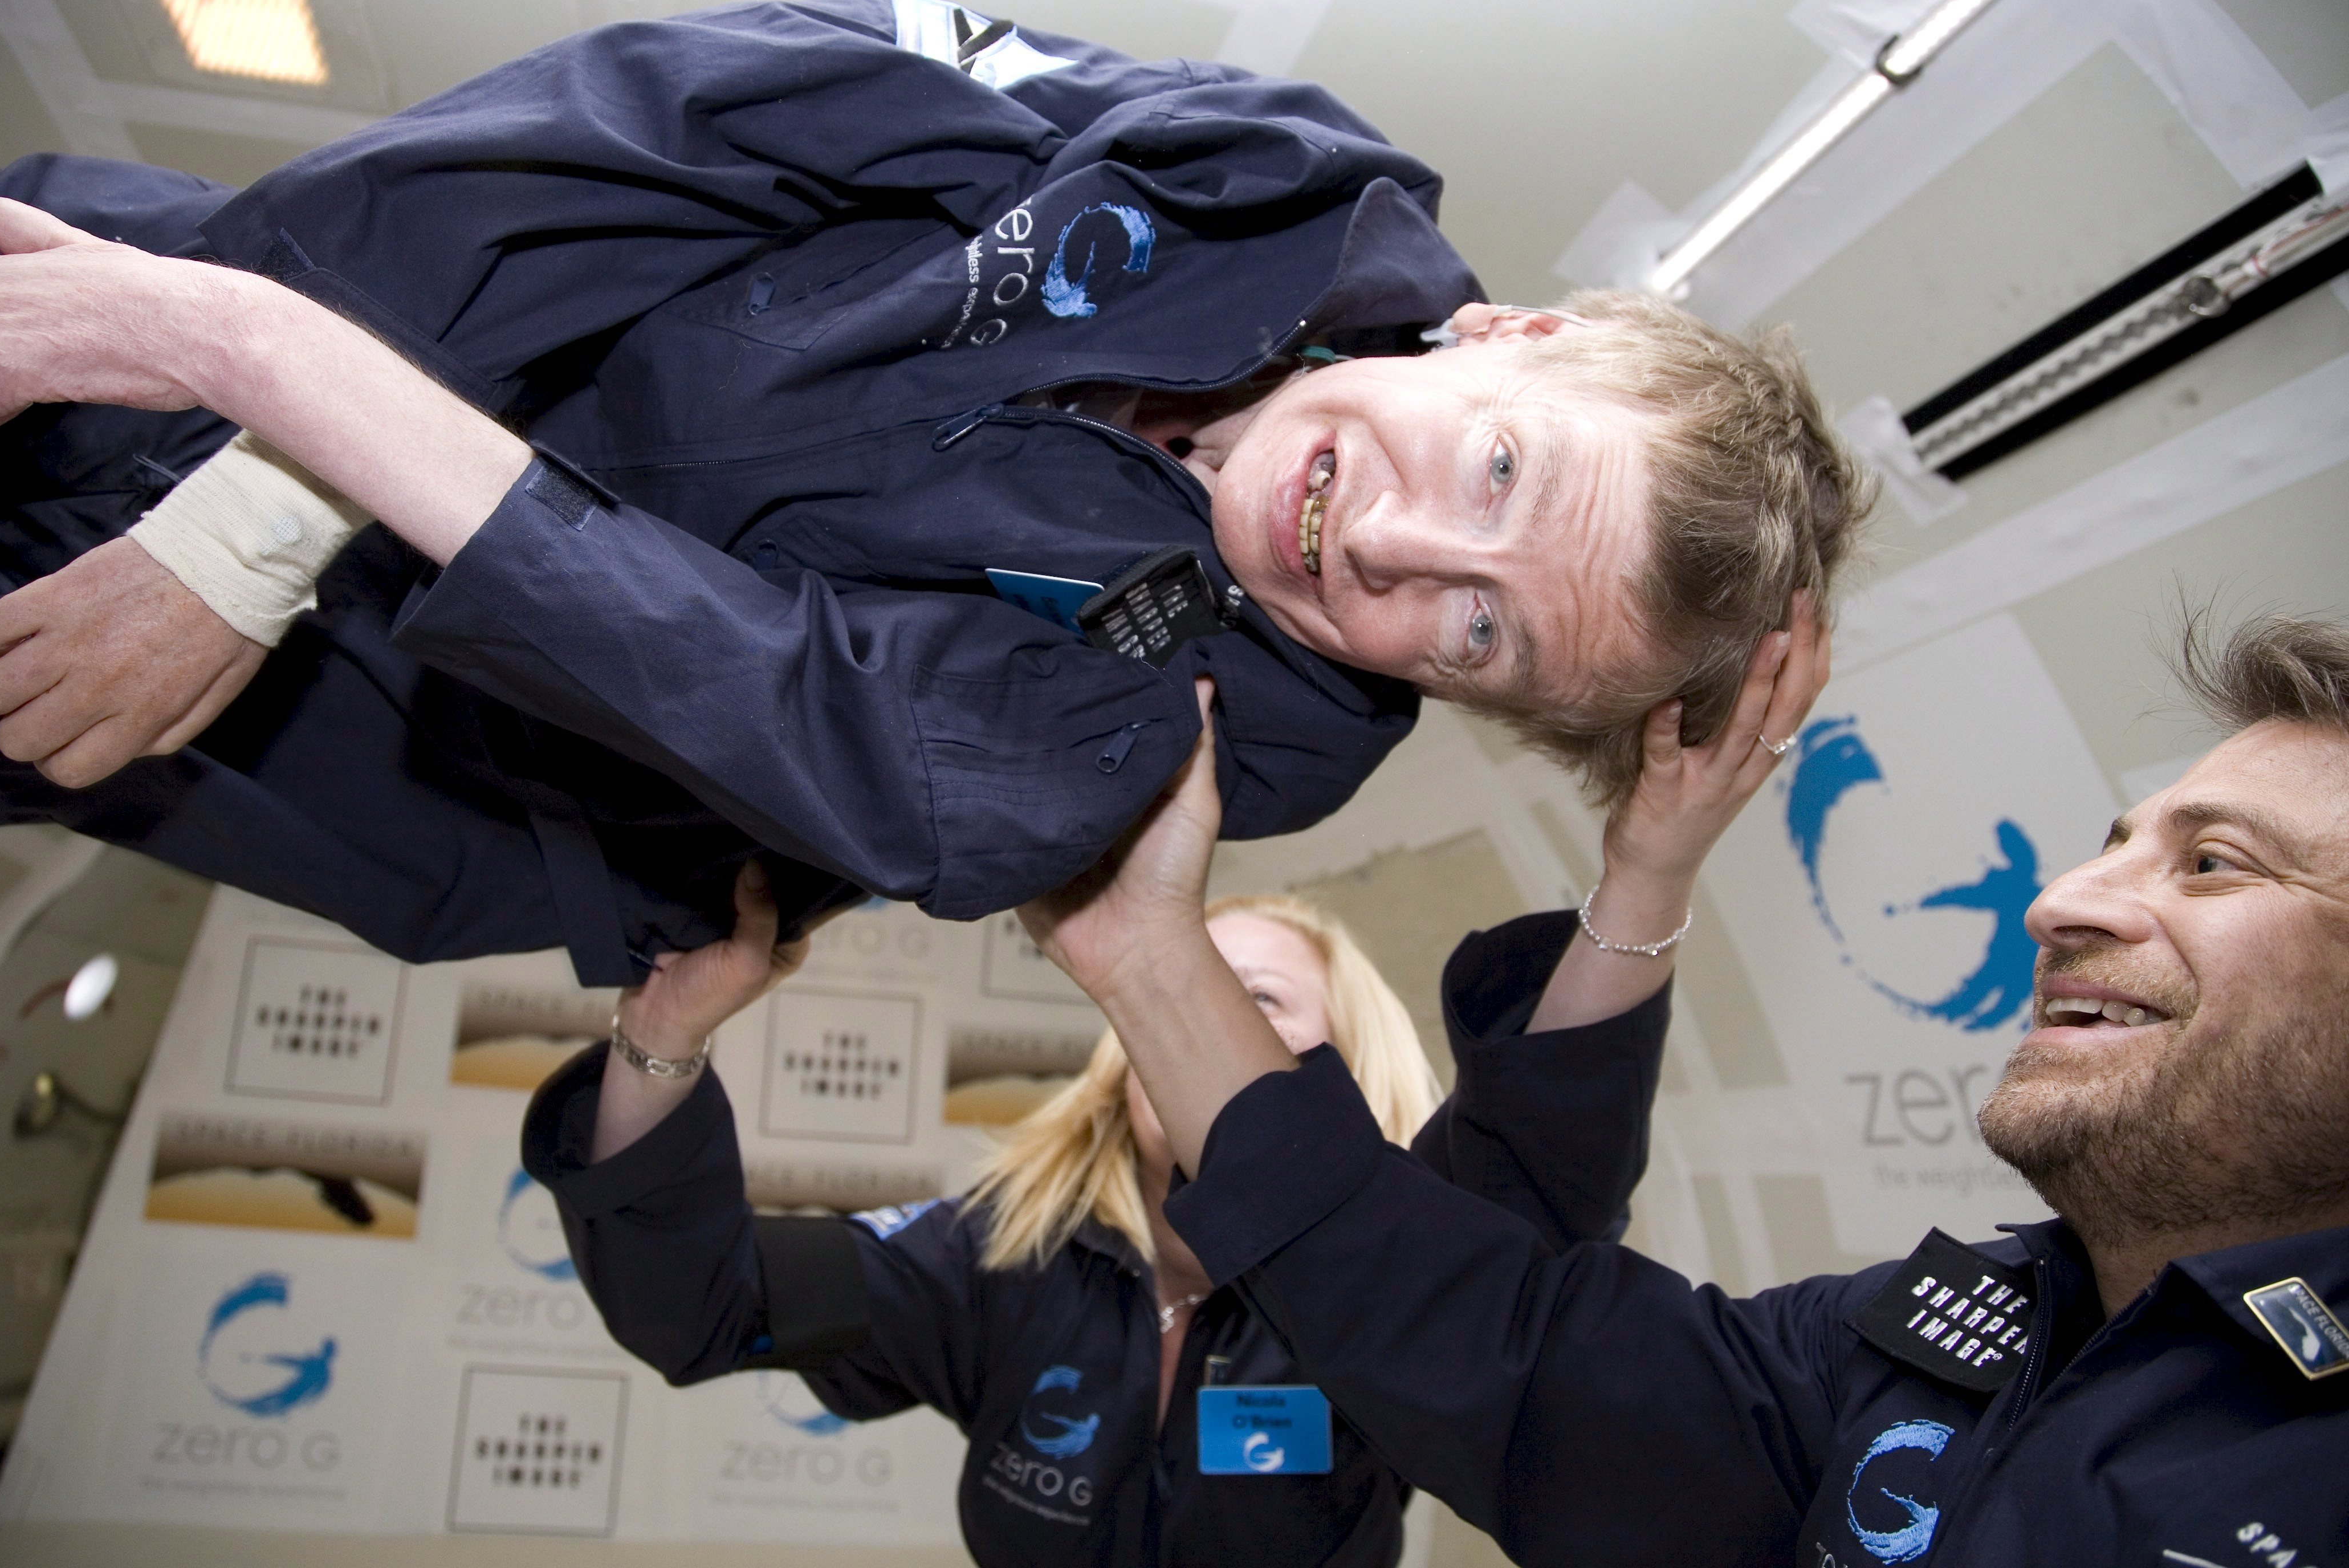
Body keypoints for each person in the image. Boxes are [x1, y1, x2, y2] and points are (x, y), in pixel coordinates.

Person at [0, 0, 1866, 982]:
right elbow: (668, 131)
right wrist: (246, 494)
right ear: (1503, 336)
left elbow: (756, 692)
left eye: (1479, 627)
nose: (1399, 547)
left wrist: (252, 496)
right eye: (1496, 473)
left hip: (396, 741)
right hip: (277, 299)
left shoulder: (1238, 735)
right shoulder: (1254, 174)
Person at [1022, 606, 2349, 1567]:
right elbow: (1505, 1341)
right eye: (2113, 846)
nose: (2062, 901)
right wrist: (1143, 947)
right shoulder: (1940, 1344)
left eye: (2215, 865)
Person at [514, 603, 1830, 1567]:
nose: (1190, 1018)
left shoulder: (1389, 1271)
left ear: (1336, 1071)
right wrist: (665, 1036)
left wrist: (1648, 876)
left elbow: (1552, 1163)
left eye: (1255, 1004)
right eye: (1175, 985)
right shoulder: (1000, 1258)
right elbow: (702, 1307)